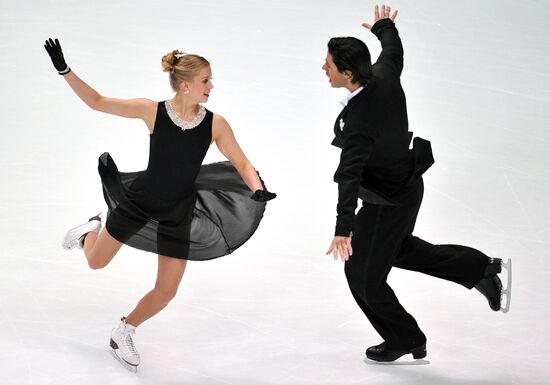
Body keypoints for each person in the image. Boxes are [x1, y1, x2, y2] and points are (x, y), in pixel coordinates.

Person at [44, 38, 276, 370]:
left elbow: (241, 162)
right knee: (96, 263)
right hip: (140, 201)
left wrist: (256, 188)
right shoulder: (151, 111)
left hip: (177, 212)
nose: (211, 86)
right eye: (205, 81)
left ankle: (124, 329)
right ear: (185, 86)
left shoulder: (215, 124)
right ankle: (88, 234)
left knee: (166, 291)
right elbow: (97, 102)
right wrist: (65, 70)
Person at [323, 5, 511, 362]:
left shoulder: (360, 123)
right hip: (406, 187)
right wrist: (383, 28)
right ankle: (480, 268)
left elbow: (348, 176)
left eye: (329, 65)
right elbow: (394, 51)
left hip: (387, 201)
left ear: (348, 73)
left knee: (363, 275)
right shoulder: (383, 75)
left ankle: (405, 337)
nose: (323, 69)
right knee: (397, 251)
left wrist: (343, 228)